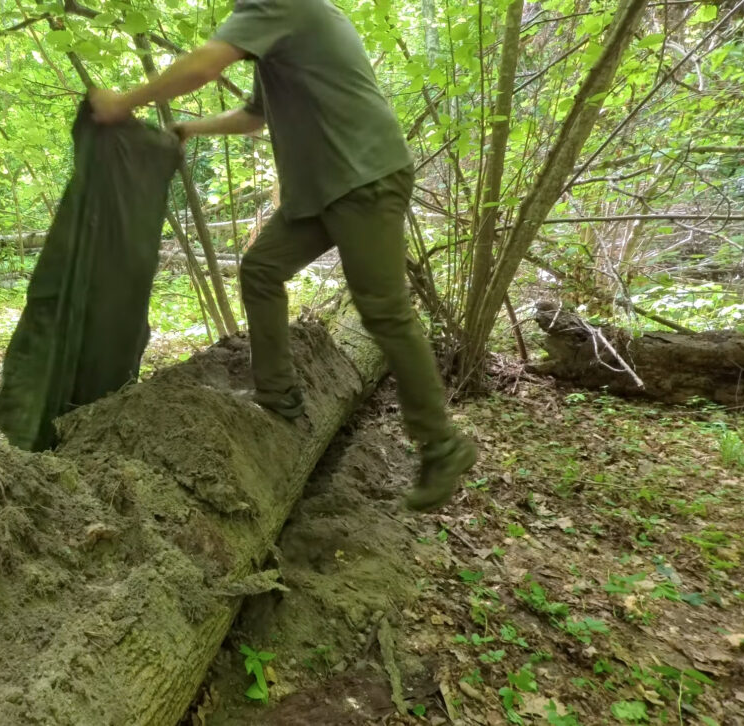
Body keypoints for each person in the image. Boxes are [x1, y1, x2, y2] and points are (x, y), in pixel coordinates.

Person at [88, 0, 476, 511]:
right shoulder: (284, 30)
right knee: (262, 268)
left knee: (384, 309)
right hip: (321, 189)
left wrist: (125, 101)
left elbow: (205, 65)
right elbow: (255, 116)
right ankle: (279, 396)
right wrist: (191, 127)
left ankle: (442, 445)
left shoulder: (280, 3)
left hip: (363, 178)